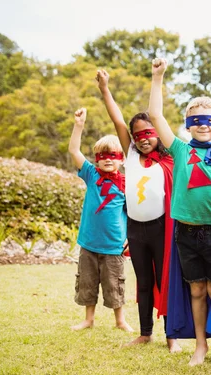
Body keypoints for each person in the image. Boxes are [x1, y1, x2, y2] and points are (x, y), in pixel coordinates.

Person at [148, 58, 211, 365]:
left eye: (209, 120)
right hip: (186, 233)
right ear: (188, 124)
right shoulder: (179, 149)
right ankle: (200, 345)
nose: (203, 124)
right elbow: (155, 114)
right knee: (197, 291)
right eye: (197, 120)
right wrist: (157, 77)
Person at [96, 69, 180, 352]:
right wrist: (105, 88)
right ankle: (146, 333)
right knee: (143, 282)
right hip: (136, 228)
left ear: (158, 133)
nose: (143, 138)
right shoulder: (130, 155)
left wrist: (158, 77)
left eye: (148, 133)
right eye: (137, 135)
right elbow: (117, 119)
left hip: (161, 228)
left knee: (163, 280)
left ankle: (172, 336)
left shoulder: (170, 158)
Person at [68, 107, 132, 333]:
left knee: (114, 283)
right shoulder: (91, 175)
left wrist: (130, 240)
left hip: (114, 245)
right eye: (102, 156)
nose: (107, 160)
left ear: (122, 159)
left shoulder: (127, 183)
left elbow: (133, 215)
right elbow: (74, 151)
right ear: (96, 160)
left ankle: (120, 320)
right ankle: (89, 319)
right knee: (86, 281)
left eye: (112, 156)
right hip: (89, 242)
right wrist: (79, 126)